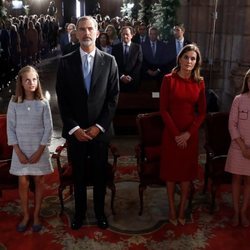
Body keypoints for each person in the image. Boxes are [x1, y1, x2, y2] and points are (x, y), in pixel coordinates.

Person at [56, 16, 119, 230]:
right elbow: (62, 100)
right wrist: (74, 128)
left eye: (90, 29)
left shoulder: (109, 61)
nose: (86, 33)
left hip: (99, 132)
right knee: (79, 175)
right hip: (76, 132)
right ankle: (80, 214)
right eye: (81, 29)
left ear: (98, 33)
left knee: (100, 175)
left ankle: (100, 213)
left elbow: (113, 98)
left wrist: (98, 127)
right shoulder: (65, 62)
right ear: (76, 34)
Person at [160, 44, 206, 226]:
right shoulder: (168, 80)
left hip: (190, 135)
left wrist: (187, 134)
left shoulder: (199, 82)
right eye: (186, 57)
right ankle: (172, 208)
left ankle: (181, 209)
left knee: (186, 175)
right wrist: (177, 134)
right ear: (179, 58)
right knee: (171, 174)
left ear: (196, 62)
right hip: (171, 134)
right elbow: (163, 110)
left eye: (193, 58)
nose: (189, 61)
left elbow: (202, 112)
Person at [7, 65, 53, 232]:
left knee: (39, 181)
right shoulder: (14, 103)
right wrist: (18, 151)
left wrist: (39, 151)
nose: (31, 83)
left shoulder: (42, 103)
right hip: (21, 149)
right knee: (23, 181)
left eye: (34, 79)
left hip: (38, 148)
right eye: (27, 80)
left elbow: (48, 129)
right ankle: (26, 214)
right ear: (21, 82)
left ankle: (36, 215)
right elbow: (10, 128)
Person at [225, 68, 250, 228]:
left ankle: (243, 212)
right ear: (247, 82)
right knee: (236, 179)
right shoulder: (239, 99)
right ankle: (235, 211)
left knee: (249, 181)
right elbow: (232, 125)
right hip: (238, 148)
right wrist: (243, 148)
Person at [112, 26, 143, 92]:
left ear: (131, 35)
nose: (125, 36)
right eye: (123, 34)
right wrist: (121, 76)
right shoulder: (115, 48)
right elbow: (114, 64)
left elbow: (139, 63)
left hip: (133, 81)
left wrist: (131, 76)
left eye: (127, 34)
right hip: (119, 81)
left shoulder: (137, 47)